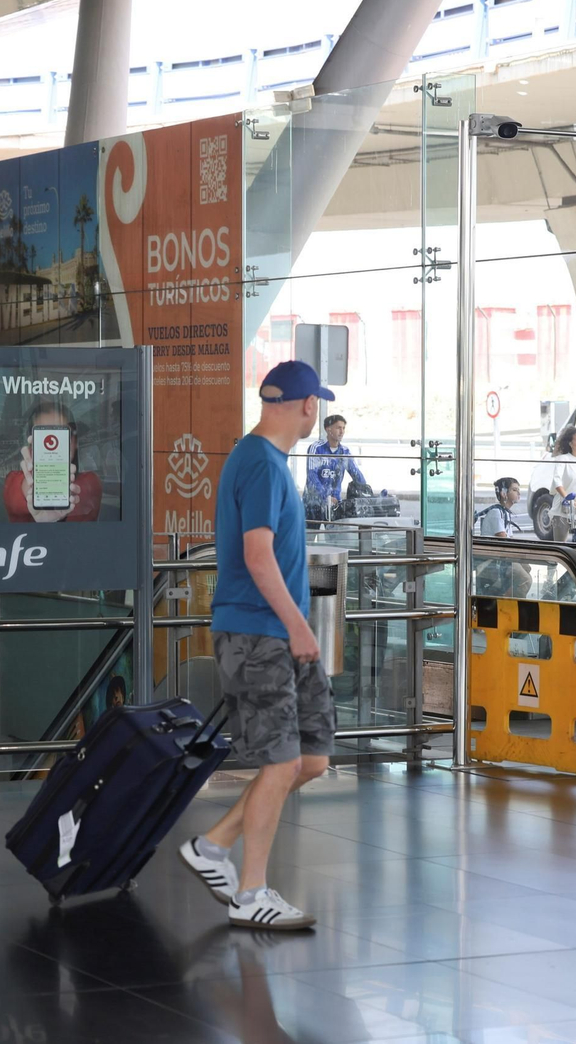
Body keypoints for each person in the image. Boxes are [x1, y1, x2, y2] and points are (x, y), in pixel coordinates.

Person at [179, 361, 334, 931]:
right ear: (307, 406)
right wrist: (297, 625)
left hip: (272, 633)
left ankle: (214, 845)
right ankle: (252, 893)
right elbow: (257, 554)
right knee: (281, 760)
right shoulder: (264, 466)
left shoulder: (259, 459)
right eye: (317, 401)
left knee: (310, 759)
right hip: (260, 633)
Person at [4, 400, 103, 523]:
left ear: (75, 440)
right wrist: (33, 482)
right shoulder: (13, 480)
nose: (53, 443)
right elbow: (16, 498)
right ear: (31, 444)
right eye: (45, 435)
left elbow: (85, 497)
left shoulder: (90, 482)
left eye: (60, 434)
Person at [304, 414, 367, 522]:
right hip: (313, 504)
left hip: (335, 504)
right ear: (328, 429)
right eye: (338, 428)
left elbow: (356, 474)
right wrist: (325, 496)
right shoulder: (316, 448)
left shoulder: (345, 452)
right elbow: (312, 475)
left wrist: (367, 492)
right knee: (308, 537)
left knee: (335, 537)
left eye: (343, 428)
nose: (342, 431)